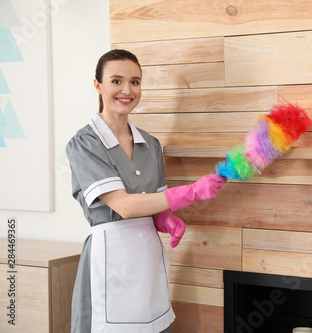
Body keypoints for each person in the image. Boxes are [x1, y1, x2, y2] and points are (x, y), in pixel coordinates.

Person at [66, 49, 226, 333]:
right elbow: (124, 205)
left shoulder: (150, 144)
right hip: (109, 259)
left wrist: (164, 219)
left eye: (135, 82)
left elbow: (152, 202)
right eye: (116, 81)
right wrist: (194, 192)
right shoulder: (85, 143)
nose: (127, 90)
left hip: (148, 260)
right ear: (97, 85)